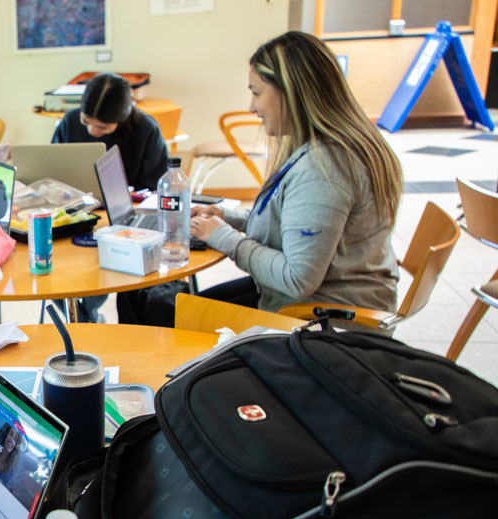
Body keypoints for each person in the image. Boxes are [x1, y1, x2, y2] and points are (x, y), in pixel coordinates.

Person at [118, 31, 402, 326]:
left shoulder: (324, 169)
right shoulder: (330, 149)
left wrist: (222, 236)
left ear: (292, 92)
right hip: (318, 303)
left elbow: (297, 279)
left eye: (256, 92)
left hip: (318, 321)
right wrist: (227, 217)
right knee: (167, 305)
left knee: (164, 316)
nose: (252, 107)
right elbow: (295, 222)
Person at [52, 73, 170, 322]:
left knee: (101, 271)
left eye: (103, 127)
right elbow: (51, 171)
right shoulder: (70, 121)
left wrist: (129, 195)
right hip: (72, 218)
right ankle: (87, 319)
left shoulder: (146, 130)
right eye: (87, 121)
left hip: (121, 225)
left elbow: (156, 190)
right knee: (48, 273)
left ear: (123, 117)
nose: (93, 131)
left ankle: (87, 319)